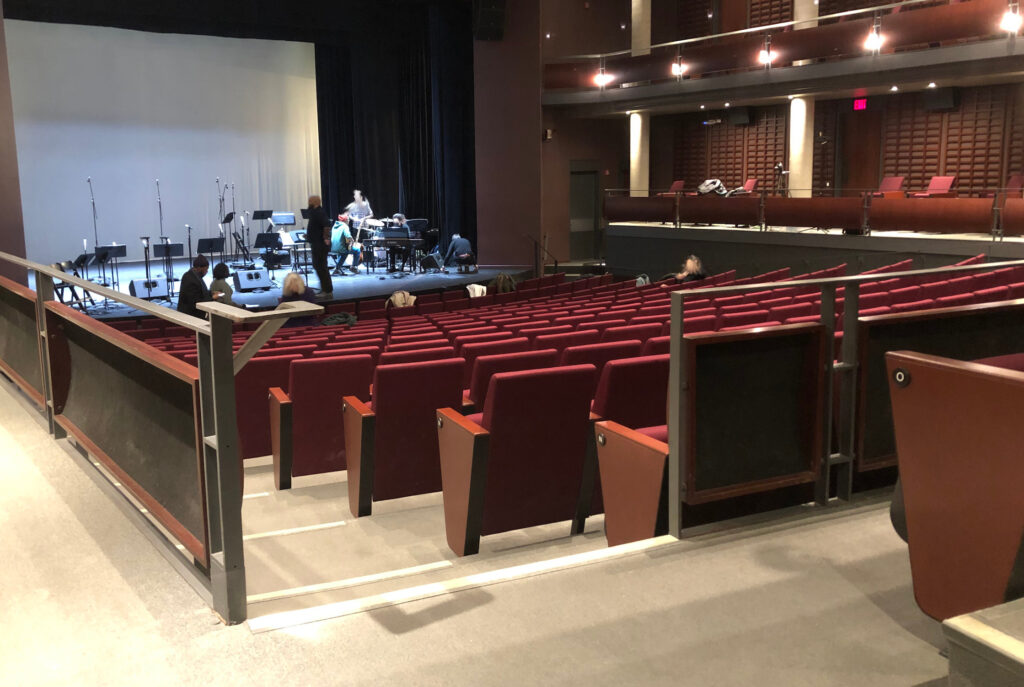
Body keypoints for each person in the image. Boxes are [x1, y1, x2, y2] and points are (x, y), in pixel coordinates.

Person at [305, 195, 333, 296]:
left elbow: (327, 225)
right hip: (316, 243)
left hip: (320, 245)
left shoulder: (320, 212)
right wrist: (308, 235)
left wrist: (326, 239)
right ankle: (325, 289)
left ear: (315, 202)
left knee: (321, 267)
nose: (308, 203)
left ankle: (328, 291)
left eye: (310, 201)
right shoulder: (314, 212)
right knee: (318, 266)